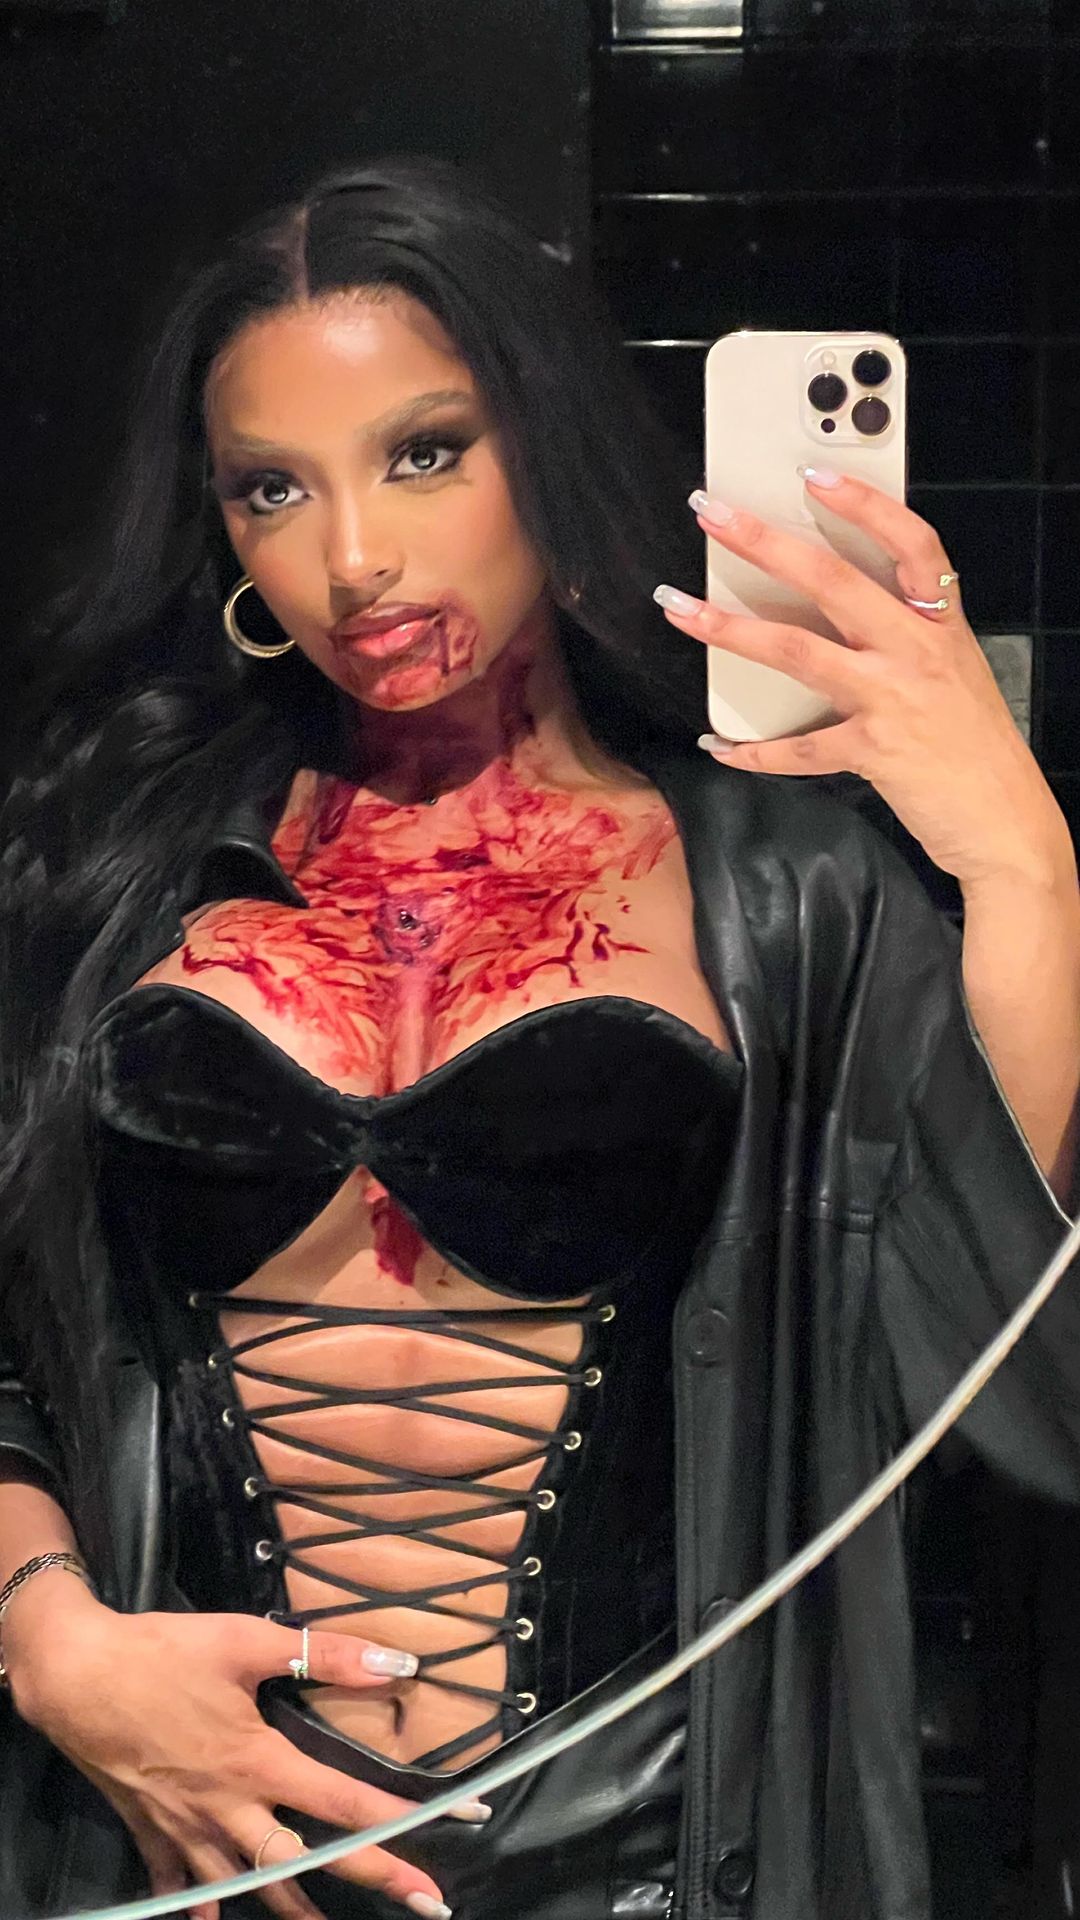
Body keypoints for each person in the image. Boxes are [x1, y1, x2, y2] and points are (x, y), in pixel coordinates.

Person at [1, 157, 1079, 1920]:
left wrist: (1023, 865)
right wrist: (47, 1637)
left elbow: (1000, 1366)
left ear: (547, 446)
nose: (355, 558)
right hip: (194, 1838)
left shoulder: (781, 892)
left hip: (648, 1858)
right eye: (273, 488)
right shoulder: (105, 868)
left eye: (425, 453)